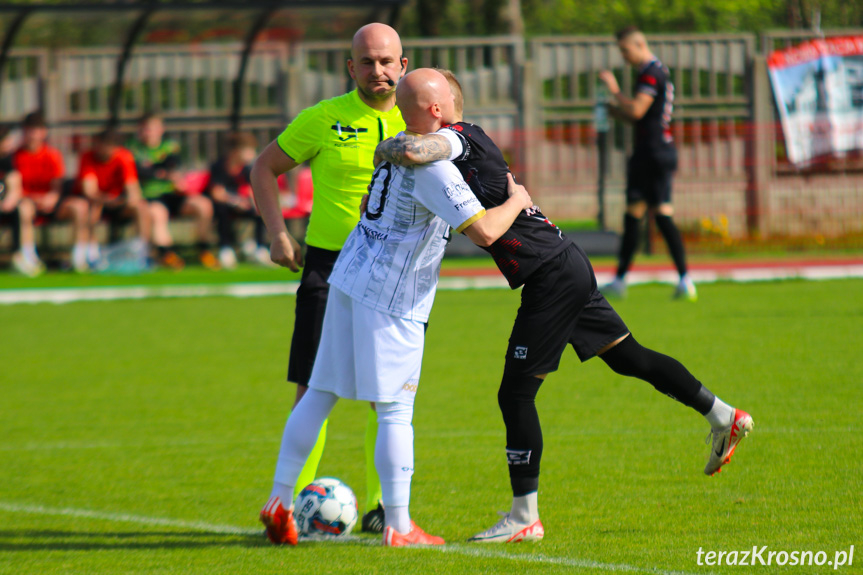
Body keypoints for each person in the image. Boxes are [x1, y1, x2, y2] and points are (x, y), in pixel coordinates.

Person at [375, 69, 753, 544]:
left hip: (551, 276)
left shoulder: (457, 138)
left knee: (515, 395)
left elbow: (412, 150)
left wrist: (389, 146)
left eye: (406, 110)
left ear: (436, 110)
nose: (400, 120)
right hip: (564, 263)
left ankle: (524, 517)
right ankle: (724, 416)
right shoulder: (470, 142)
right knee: (628, 357)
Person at [258, 68, 533, 547]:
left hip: (348, 274)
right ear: (436, 110)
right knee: (394, 410)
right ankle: (400, 526)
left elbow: (369, 201)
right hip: (391, 294)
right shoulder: (434, 165)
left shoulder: (395, 147)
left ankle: (280, 499)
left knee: (320, 391)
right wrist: (518, 200)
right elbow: (486, 231)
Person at [250, 22, 408, 533]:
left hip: (392, 274)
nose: (378, 70)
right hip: (330, 265)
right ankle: (289, 506)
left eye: (386, 61)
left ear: (403, 65)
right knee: (312, 388)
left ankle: (383, 507)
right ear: (351, 67)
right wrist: (278, 233)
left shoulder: (424, 120)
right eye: (367, 61)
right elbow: (263, 168)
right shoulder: (325, 118)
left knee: (389, 397)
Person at [598, 26, 696, 301]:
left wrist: (615, 91)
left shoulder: (651, 73)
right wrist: (615, 112)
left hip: (651, 154)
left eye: (625, 50)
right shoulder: (656, 71)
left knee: (646, 216)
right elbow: (641, 117)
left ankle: (624, 280)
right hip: (657, 151)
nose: (624, 56)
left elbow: (638, 109)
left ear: (640, 45)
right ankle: (681, 279)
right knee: (646, 215)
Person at [128, 112, 218, 271]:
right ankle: (167, 254)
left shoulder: (170, 146)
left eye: (152, 129)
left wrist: (155, 172)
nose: (148, 133)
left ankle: (204, 250)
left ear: (160, 130)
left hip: (174, 193)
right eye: (144, 129)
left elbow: (171, 166)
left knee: (203, 205)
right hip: (151, 195)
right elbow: (139, 172)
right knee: (157, 213)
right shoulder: (132, 149)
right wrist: (160, 173)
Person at [13, 112, 91, 273]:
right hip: (29, 203)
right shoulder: (15, 157)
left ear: (44, 132)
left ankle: (79, 257)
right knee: (23, 208)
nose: (33, 135)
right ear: (24, 132)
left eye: (37, 130)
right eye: (30, 130)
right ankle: (29, 257)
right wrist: (33, 199)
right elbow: (16, 189)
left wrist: (51, 198)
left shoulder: (52, 155)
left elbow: (57, 187)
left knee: (80, 206)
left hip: (53, 204)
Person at [79, 128, 150, 261]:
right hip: (98, 202)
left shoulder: (124, 157)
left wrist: (127, 201)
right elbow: (89, 191)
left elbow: (133, 190)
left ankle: (142, 251)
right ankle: (91, 253)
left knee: (140, 207)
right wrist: (106, 200)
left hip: (119, 203)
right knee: (92, 209)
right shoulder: (88, 157)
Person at [207, 131, 269, 270]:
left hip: (241, 204)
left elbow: (250, 190)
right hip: (221, 206)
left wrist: (255, 203)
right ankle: (226, 249)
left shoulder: (247, 169)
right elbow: (217, 193)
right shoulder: (219, 166)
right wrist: (236, 202)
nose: (252, 154)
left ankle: (260, 248)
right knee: (222, 210)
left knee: (260, 210)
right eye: (249, 151)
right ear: (236, 151)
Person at [0, 124, 32, 275]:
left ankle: (18, 255)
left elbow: (14, 183)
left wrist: (10, 200)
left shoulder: (7, 160)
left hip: (3, 205)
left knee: (18, 210)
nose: (10, 145)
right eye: (7, 141)